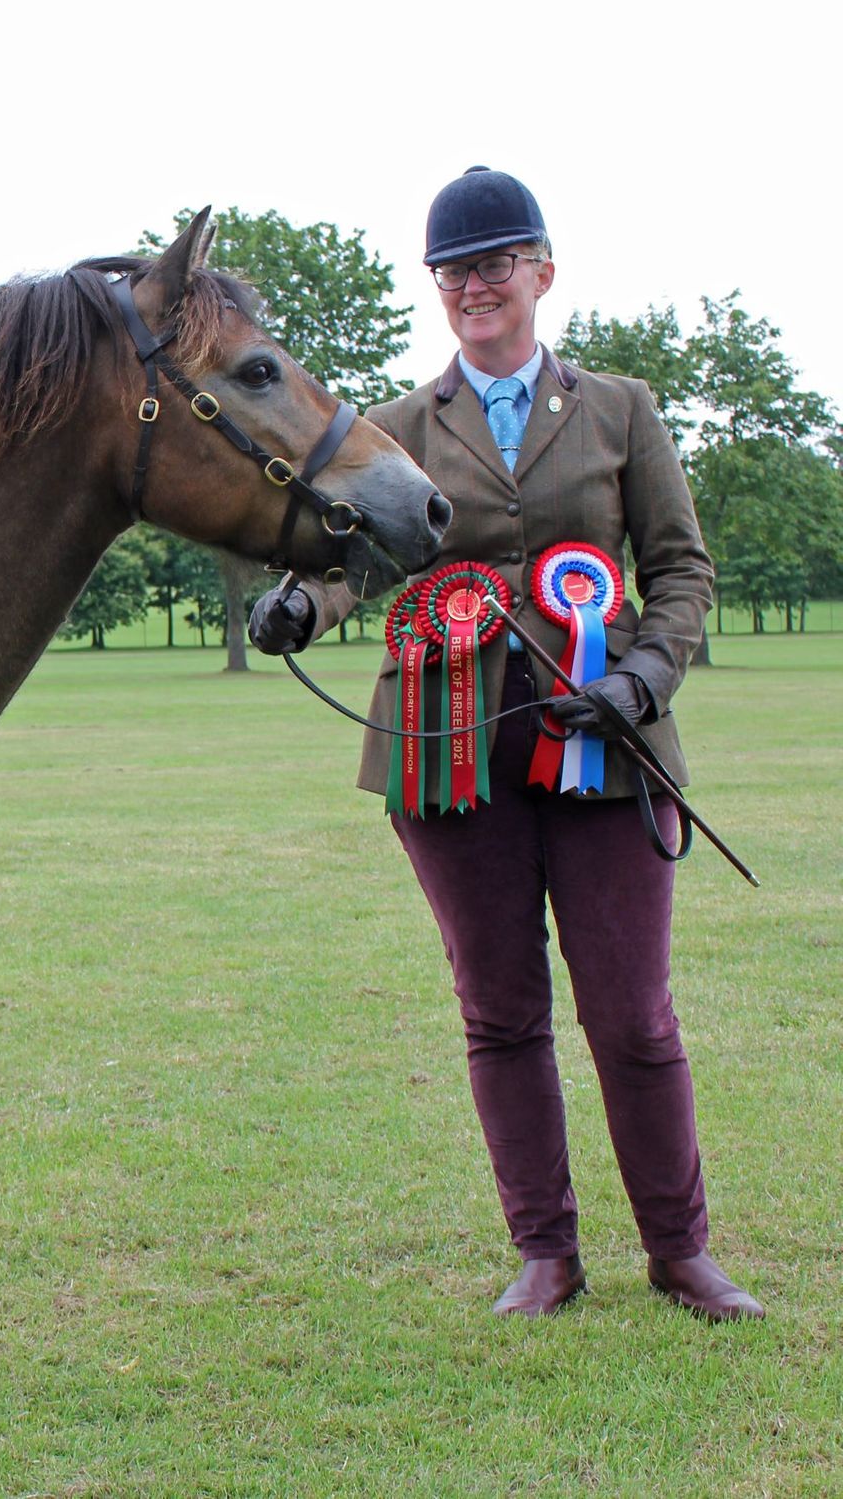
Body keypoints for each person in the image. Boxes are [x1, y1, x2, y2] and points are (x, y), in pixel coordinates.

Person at [248, 166, 762, 1321]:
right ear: (437, 289)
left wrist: (635, 676)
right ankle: (545, 1254)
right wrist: (301, 607)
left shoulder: (621, 409)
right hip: (446, 752)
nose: (474, 285)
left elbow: (677, 567)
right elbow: (351, 564)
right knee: (497, 1011)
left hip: (606, 744)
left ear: (540, 272)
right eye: (453, 270)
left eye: (495, 263)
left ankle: (679, 1252)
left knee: (631, 1013)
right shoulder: (391, 427)